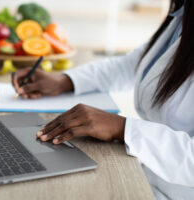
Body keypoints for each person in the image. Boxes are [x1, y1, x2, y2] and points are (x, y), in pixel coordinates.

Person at [12, 0, 194, 199]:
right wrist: (66, 81)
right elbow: (133, 64)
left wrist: (123, 128)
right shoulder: (181, 13)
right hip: (146, 174)